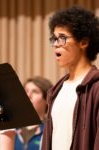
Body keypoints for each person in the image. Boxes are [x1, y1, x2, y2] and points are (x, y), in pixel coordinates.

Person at [41, 6, 99, 150]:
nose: (55, 45)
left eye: (62, 38)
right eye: (54, 39)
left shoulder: (96, 88)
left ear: (83, 42)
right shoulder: (55, 91)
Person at [15, 76, 53, 150]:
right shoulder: (13, 129)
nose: (28, 95)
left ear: (47, 99)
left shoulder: (51, 129)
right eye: (26, 91)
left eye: (35, 91)